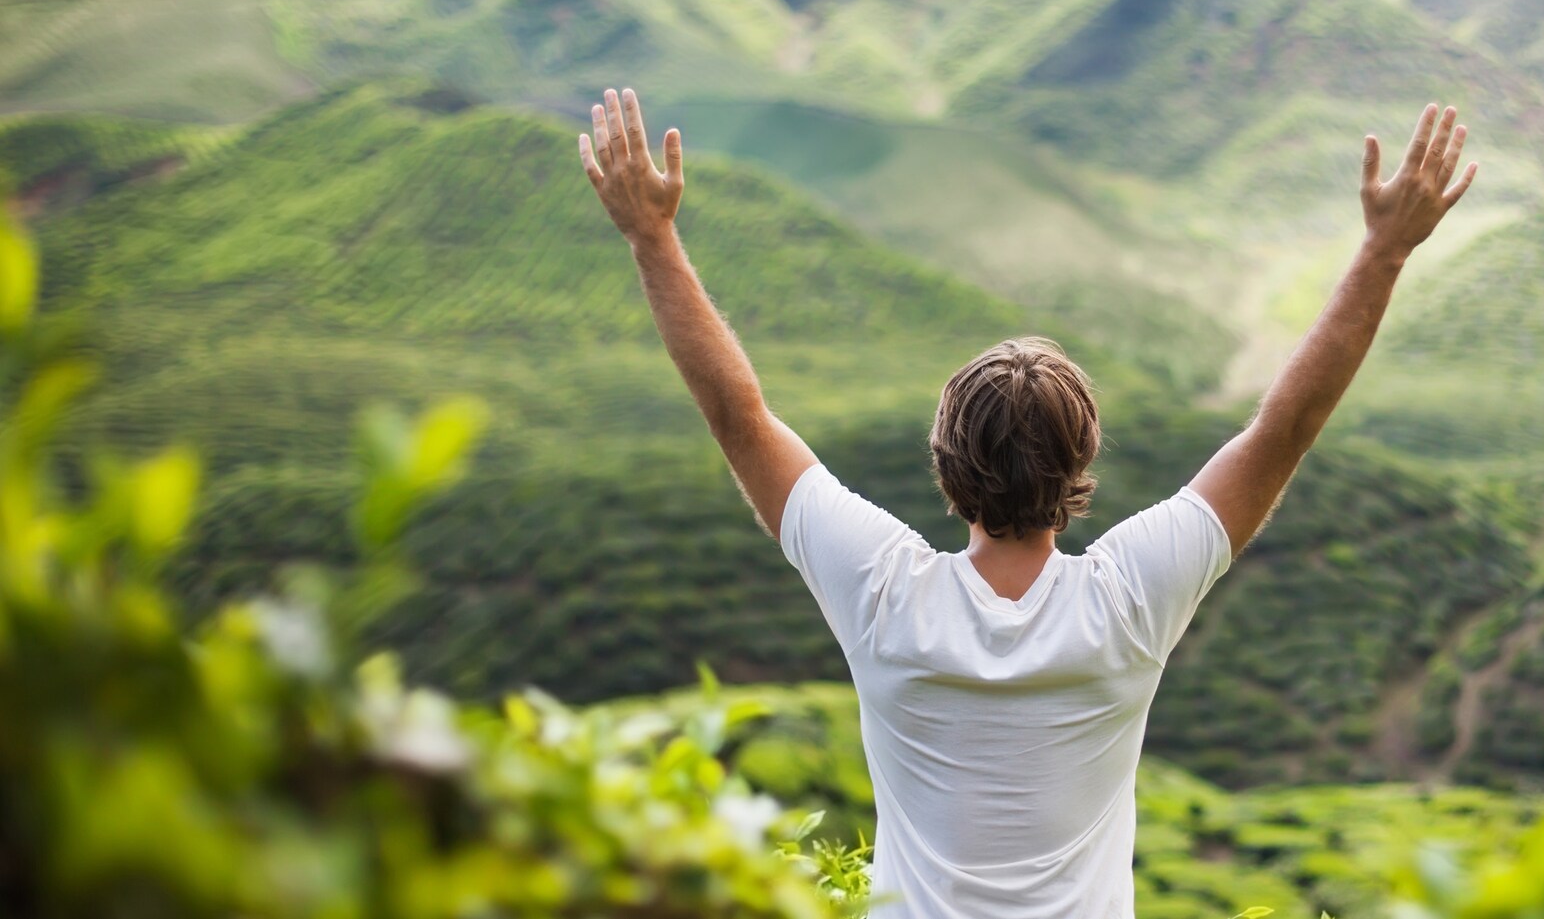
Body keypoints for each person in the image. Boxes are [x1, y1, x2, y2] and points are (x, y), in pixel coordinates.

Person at [577, 88, 1477, 918]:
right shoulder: (1127, 601)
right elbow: (1284, 429)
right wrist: (1385, 249)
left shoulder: (885, 594)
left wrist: (652, 237)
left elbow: (741, 418)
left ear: (944, 463)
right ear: (1082, 461)